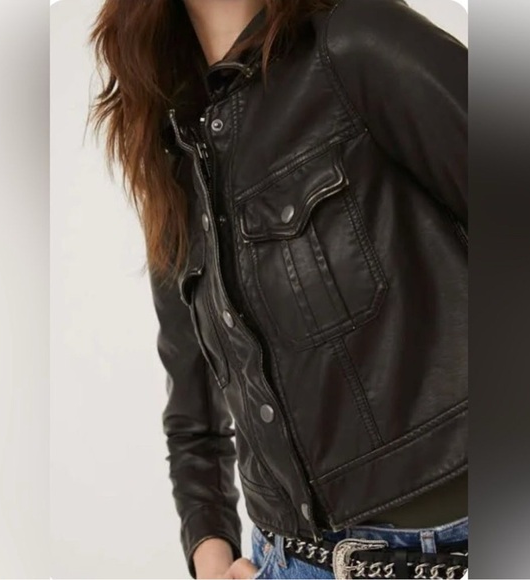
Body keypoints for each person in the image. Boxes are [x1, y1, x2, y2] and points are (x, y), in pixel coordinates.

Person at [88, 0, 468, 578]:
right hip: (287, 561)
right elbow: (194, 411)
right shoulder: (175, 155)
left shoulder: (355, 42)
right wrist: (211, 555)